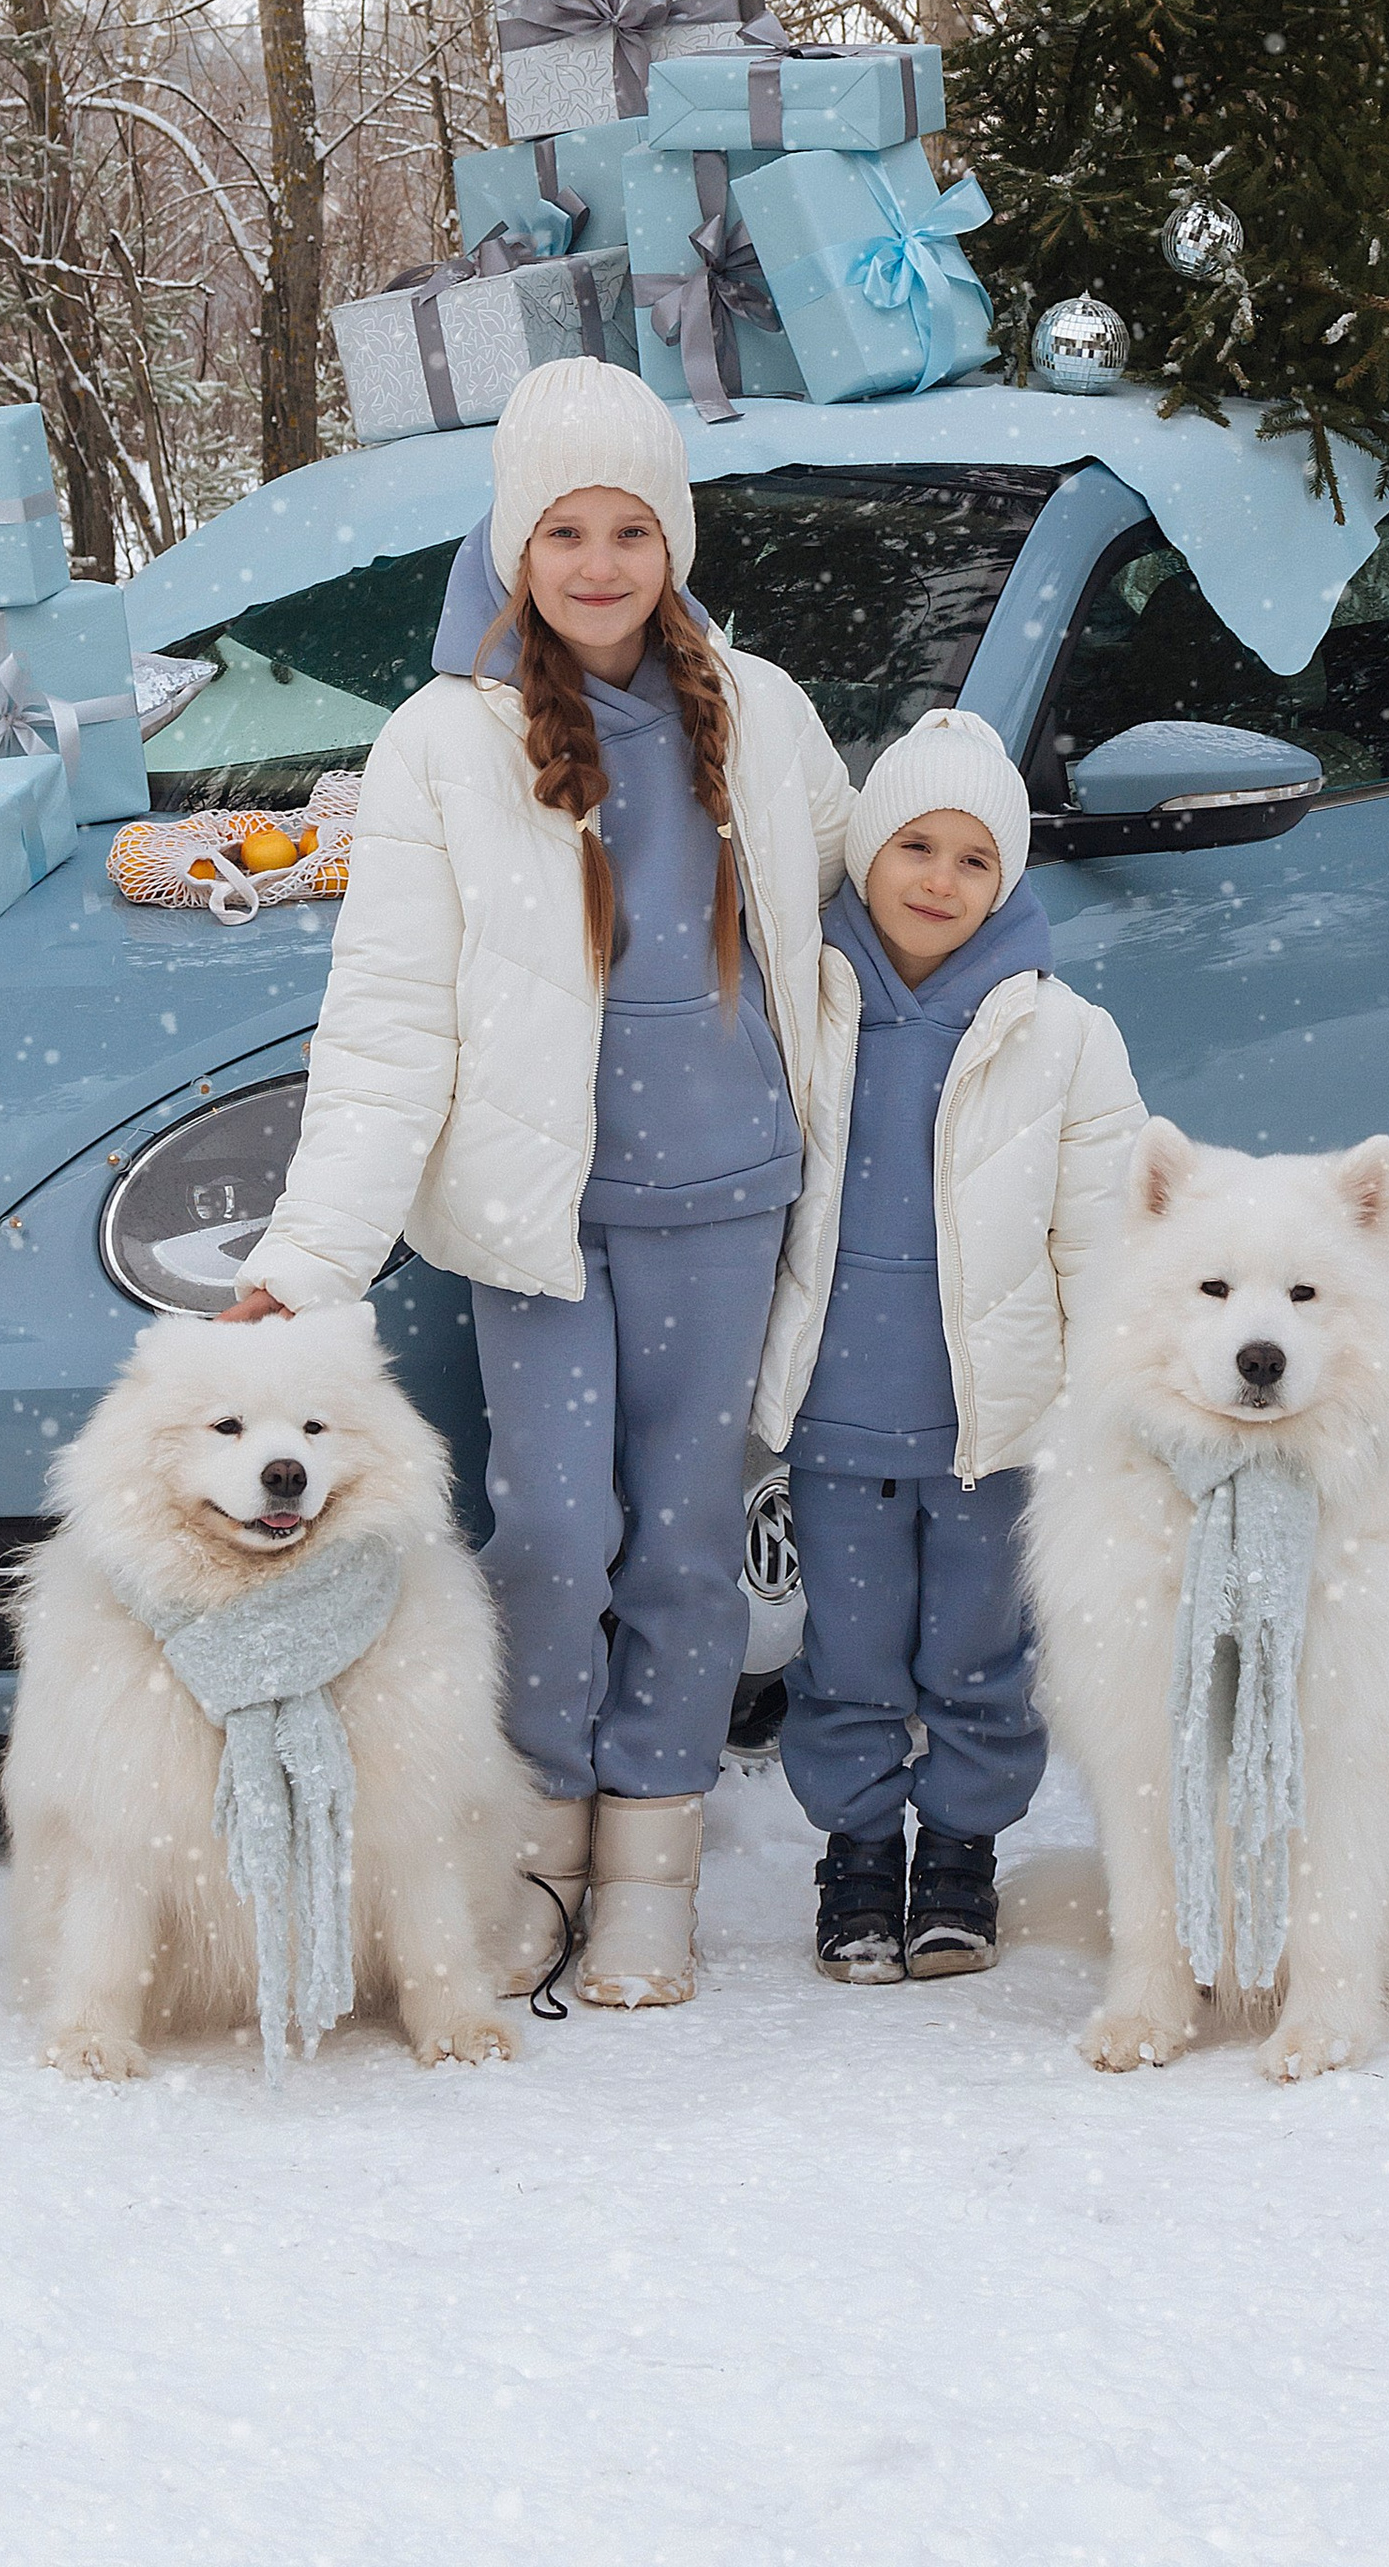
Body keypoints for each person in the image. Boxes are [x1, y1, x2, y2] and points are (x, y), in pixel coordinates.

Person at [220, 356, 849, 2009]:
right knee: (558, 1532)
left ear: (674, 542)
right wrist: (312, 1257)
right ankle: (532, 1842)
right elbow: (386, 1024)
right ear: (514, 548)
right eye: (561, 530)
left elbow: (846, 901)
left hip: (725, 1191)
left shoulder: (762, 714)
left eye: (629, 529)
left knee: (690, 1538)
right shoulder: (445, 741)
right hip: (543, 1216)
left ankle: (653, 1862)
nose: (595, 564)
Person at [753, 710, 1142, 1982]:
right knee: (850, 1649)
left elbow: (1102, 1238)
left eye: (975, 859)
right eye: (914, 844)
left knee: (979, 1649)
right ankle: (860, 1851)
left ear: (1010, 878)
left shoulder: (1066, 1035)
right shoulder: (801, 1002)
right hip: (836, 1412)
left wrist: (1106, 1402)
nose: (939, 879)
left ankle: (962, 1851)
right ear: (864, 852)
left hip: (998, 1421)